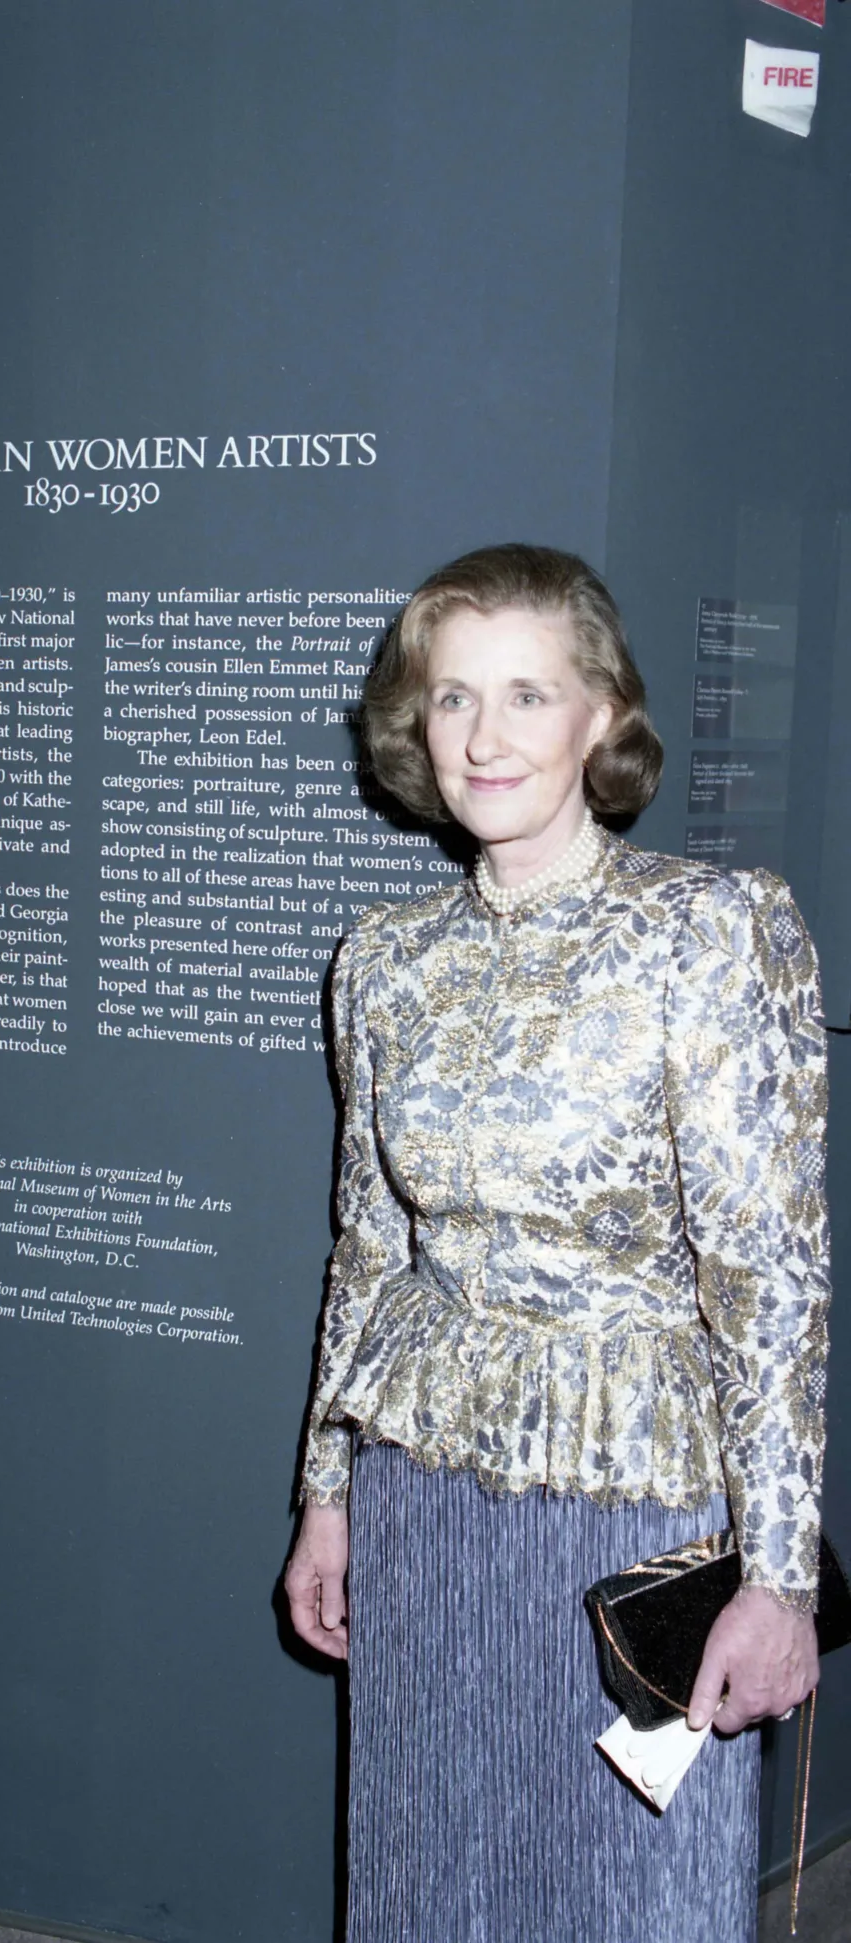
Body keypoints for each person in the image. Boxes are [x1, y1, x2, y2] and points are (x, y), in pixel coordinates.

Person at [283, 544, 830, 1943]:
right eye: (451, 696)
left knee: (626, 1890)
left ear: (602, 716)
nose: (483, 734)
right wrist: (326, 1492)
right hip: (423, 1490)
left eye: (528, 693)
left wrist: (777, 1575)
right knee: (427, 1859)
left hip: (635, 1509)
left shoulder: (711, 930)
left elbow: (769, 1277)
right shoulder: (384, 959)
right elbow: (367, 1245)